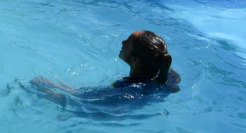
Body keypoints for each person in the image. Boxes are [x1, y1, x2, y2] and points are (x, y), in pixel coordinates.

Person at [28, 30, 180, 112]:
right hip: (138, 103)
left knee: (38, 86)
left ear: (134, 61)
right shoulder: (169, 74)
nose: (123, 42)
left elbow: (80, 101)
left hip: (113, 110)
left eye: (128, 42)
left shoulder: (125, 87)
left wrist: (45, 89)